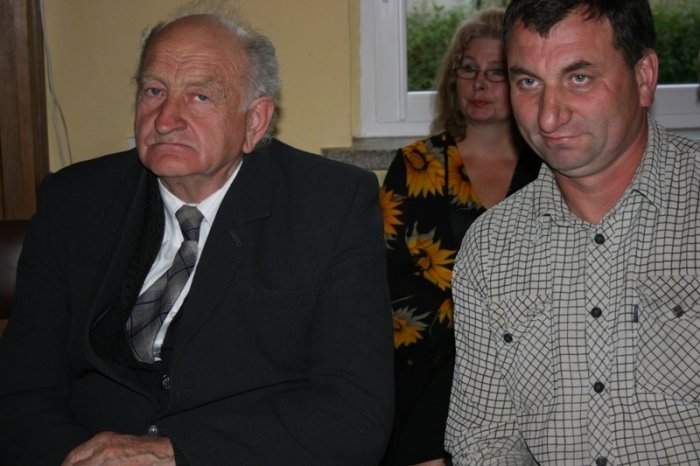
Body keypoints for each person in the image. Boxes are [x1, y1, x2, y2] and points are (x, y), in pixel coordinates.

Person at [0, 10, 394, 466]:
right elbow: (22, 388)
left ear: (255, 122)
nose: (166, 119)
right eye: (154, 91)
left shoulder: (329, 206)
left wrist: (176, 453)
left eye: (200, 96)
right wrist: (80, 459)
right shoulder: (76, 199)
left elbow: (354, 414)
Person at [446, 0, 700, 464]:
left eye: (579, 78)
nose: (548, 117)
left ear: (644, 77)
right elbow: (483, 440)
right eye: (528, 82)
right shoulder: (490, 247)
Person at [379, 8, 540, 466]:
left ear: (524, 82)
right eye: (468, 69)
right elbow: (383, 274)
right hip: (422, 360)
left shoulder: (549, 168)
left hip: (527, 363)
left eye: (496, 72)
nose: (479, 84)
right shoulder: (416, 164)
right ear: (453, 80)